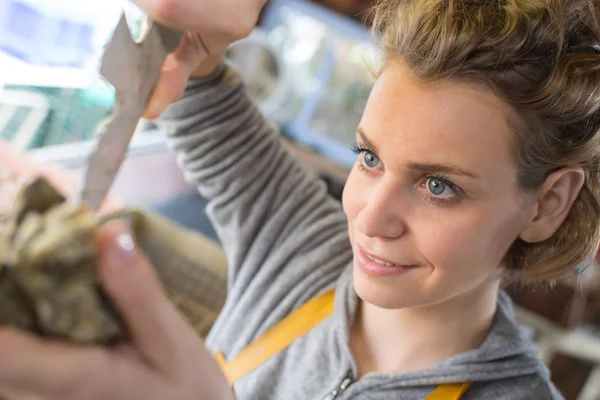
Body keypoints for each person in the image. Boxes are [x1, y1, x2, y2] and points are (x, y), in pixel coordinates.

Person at [0, 0, 599, 399]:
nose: (369, 216)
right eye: (369, 158)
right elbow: (192, 73)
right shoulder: (302, 244)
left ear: (546, 204)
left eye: (438, 186)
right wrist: (203, 27)